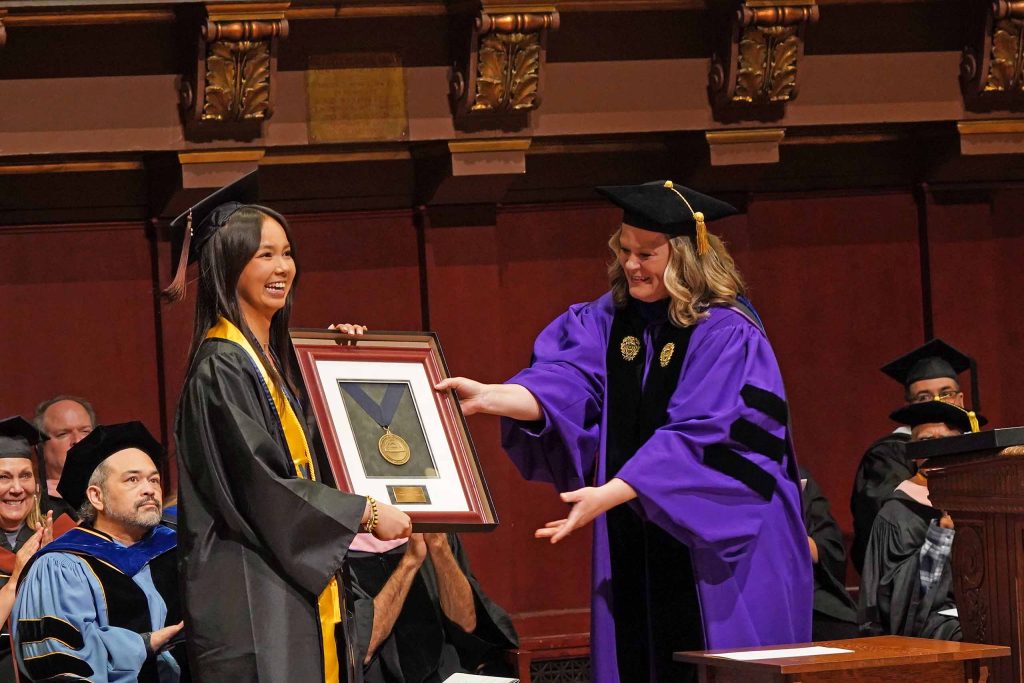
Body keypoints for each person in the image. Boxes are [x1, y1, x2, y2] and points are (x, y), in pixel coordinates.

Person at [438, 180, 812, 682]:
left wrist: (611, 492)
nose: (632, 264)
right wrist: (492, 397)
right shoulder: (610, 321)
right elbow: (567, 382)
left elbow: (708, 433)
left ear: (686, 256)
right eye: (625, 250)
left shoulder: (728, 334)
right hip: (637, 529)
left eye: (647, 253)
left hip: (723, 546)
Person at [166, 172, 412, 682]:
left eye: (287, 253)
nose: (282, 267)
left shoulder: (272, 364)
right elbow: (263, 483)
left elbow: (322, 455)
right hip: (253, 591)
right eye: (264, 255)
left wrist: (341, 367)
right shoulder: (221, 367)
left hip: (288, 584)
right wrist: (363, 514)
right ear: (228, 265)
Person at [13, 421, 184, 683]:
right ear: (97, 496)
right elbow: (58, 662)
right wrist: (144, 644)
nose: (149, 489)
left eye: (154, 479)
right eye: (132, 479)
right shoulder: (60, 567)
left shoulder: (177, 548)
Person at [850, 338, 979, 573]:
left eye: (946, 393)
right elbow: (893, 527)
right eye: (924, 398)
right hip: (920, 576)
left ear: (961, 400)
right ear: (910, 405)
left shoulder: (979, 447)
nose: (937, 403)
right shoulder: (888, 455)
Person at [858, 399, 978, 641]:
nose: (935, 450)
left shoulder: (980, 500)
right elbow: (900, 603)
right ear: (913, 452)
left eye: (945, 440)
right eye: (925, 442)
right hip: (932, 622)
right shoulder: (897, 512)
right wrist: (941, 538)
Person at [346, 532, 518, 683]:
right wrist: (410, 561)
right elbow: (362, 649)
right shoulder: (333, 547)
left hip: (444, 675)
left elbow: (466, 624)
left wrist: (439, 546)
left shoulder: (436, 531)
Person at [0, 417, 59, 683]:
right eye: (3, 477)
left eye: (25, 476)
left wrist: (51, 569)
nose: (16, 488)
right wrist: (16, 580)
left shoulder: (63, 536)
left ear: (37, 485)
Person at [799, 466, 858, 641]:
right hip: (751, 593)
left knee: (848, 632)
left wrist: (796, 541)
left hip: (808, 591)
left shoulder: (796, 475)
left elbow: (830, 546)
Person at [33, 395, 97, 520]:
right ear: (40, 446)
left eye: (85, 431)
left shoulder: (115, 496)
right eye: (63, 434)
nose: (77, 440)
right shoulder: (29, 502)